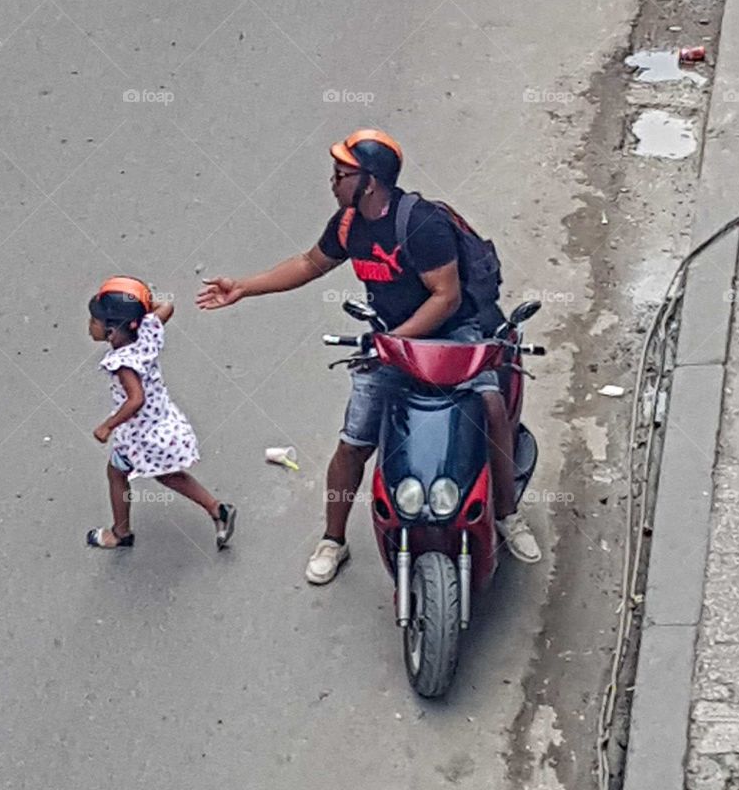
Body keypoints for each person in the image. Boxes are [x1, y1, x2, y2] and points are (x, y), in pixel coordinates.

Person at [196, 132, 540, 584]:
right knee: (354, 442)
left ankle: (507, 516)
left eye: (341, 175)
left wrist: (390, 341)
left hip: (454, 335)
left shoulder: (421, 224)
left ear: (371, 181)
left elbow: (446, 298)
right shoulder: (348, 224)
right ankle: (333, 541)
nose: (332, 183)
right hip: (393, 343)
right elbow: (309, 264)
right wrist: (244, 287)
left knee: (491, 408)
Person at [86, 277, 237, 550]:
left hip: (142, 434)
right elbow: (166, 306)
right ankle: (218, 510)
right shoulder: (147, 333)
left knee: (119, 473)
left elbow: (136, 400)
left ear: (113, 332)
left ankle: (121, 533)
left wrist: (108, 425)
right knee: (167, 474)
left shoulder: (123, 362)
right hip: (163, 422)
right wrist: (141, 304)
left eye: (95, 321)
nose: (90, 325)